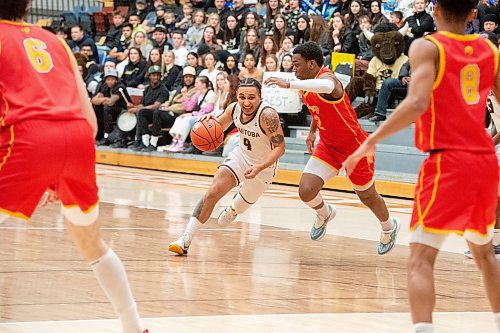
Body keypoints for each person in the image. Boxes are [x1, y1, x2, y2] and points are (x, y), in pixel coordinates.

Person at [342, 1, 500, 332]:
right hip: (485, 162)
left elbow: (416, 102)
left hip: (447, 162)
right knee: (485, 256)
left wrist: (370, 141)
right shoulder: (489, 50)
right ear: (474, 14)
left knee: (421, 259)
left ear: (435, 11)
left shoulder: (428, 46)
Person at [0, 2, 146, 333]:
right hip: (77, 140)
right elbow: (91, 122)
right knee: (90, 242)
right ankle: (133, 326)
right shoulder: (57, 42)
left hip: (27, 138)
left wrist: (39, 161)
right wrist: (54, 169)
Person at [265, 42, 400, 255]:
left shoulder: (329, 79)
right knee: (306, 190)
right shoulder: (305, 84)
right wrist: (312, 131)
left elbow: (327, 89)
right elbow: (317, 108)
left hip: (355, 148)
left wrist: (289, 84)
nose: (294, 69)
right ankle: (325, 212)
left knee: (367, 196)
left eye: (297, 65)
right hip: (328, 144)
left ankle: (389, 227)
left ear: (311, 64)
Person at [167, 78, 286, 255]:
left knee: (235, 211)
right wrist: (208, 122)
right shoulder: (233, 109)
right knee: (212, 192)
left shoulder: (268, 116)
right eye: (242, 97)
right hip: (241, 156)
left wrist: (259, 167)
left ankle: (233, 209)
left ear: (260, 97)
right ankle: (185, 239)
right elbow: (217, 128)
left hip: (264, 167)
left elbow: (280, 148)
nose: (246, 102)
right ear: (236, 96)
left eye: (252, 97)